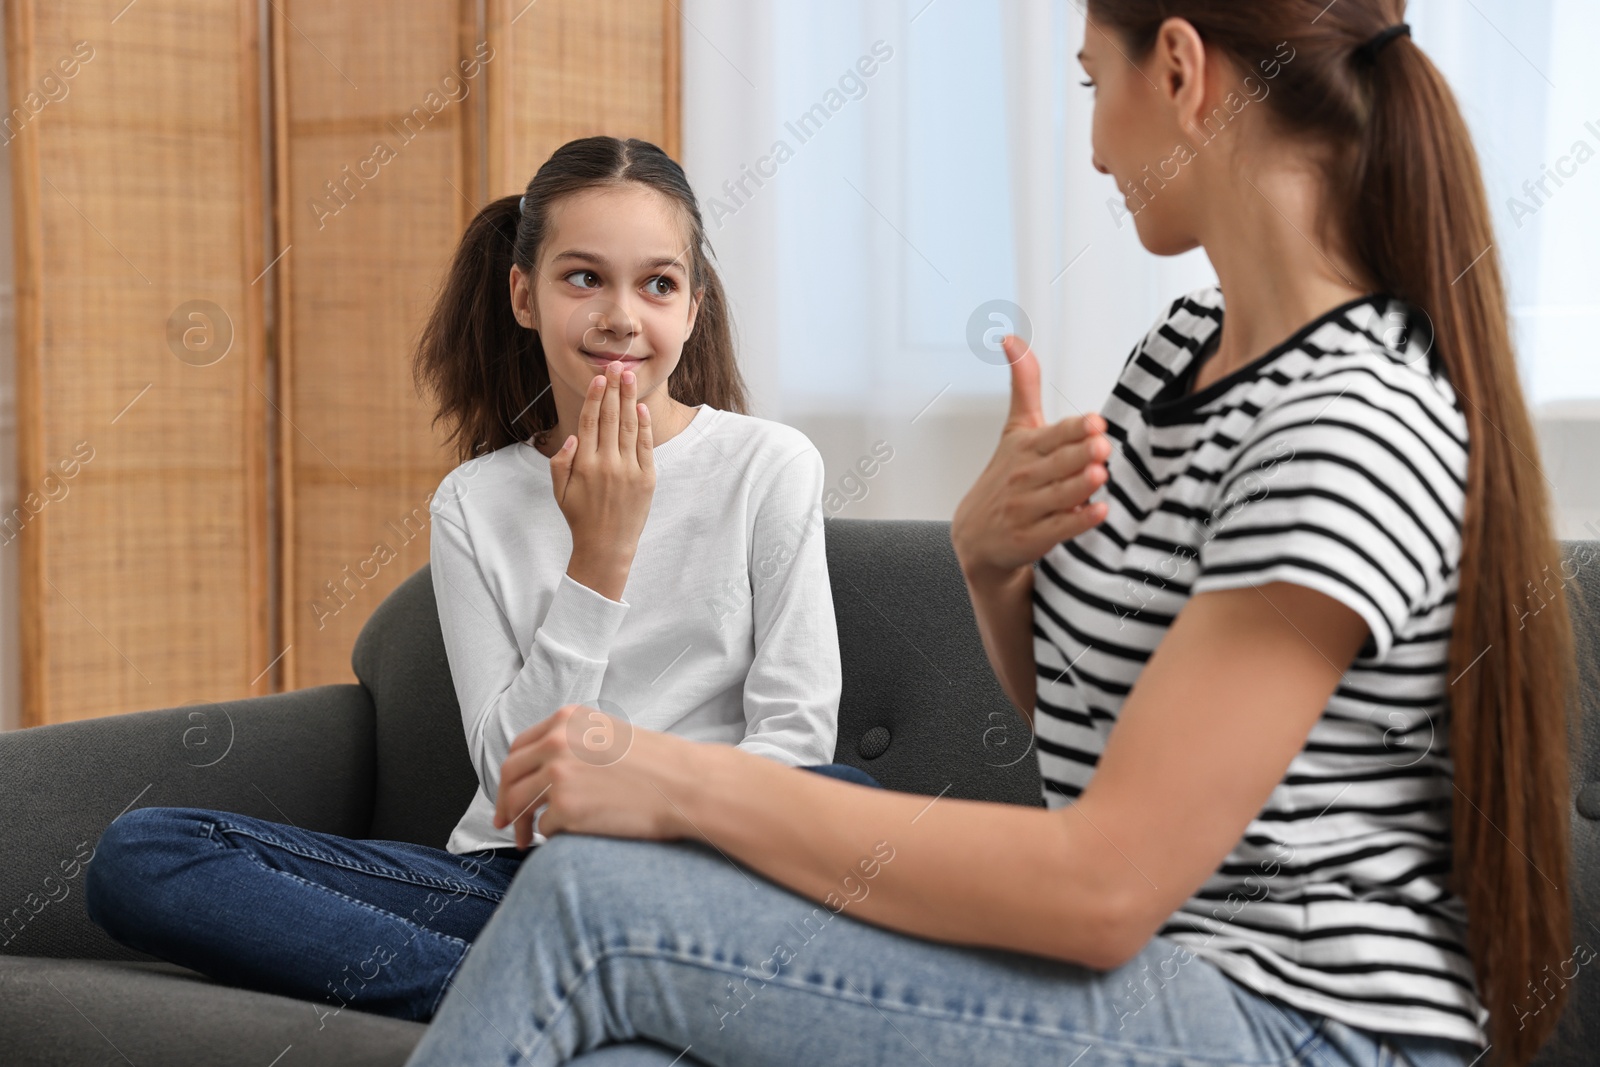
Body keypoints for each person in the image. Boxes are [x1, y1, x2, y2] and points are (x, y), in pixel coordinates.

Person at [403, 3, 1577, 1066]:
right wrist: (994, 566)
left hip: (1296, 1020)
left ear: (1178, 70)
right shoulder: (1181, 356)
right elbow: (1097, 752)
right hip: (1155, 977)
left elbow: (1106, 881)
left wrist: (681, 782)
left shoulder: (1349, 422)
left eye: (1087, 86)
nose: (1095, 147)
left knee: (588, 906)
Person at [83, 135, 874, 1024]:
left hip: (700, 870)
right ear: (523, 296)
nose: (622, 315)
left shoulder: (769, 465)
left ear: (692, 309)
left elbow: (798, 736)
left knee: (853, 804)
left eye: (657, 283)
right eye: (583, 278)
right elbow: (514, 776)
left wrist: (650, 818)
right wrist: (598, 559)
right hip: (510, 878)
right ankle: (581, 995)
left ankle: (562, 984)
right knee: (146, 853)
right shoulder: (474, 501)